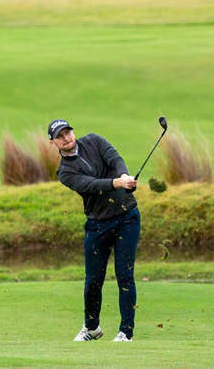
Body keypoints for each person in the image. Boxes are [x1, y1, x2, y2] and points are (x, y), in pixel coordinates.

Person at [47, 119, 139, 342]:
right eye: (60, 136)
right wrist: (117, 183)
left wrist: (125, 175)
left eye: (68, 132)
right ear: (53, 143)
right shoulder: (65, 172)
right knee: (93, 280)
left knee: (124, 275)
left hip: (126, 215)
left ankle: (126, 332)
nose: (66, 137)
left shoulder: (94, 140)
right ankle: (91, 328)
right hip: (97, 223)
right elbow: (90, 185)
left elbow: (114, 158)